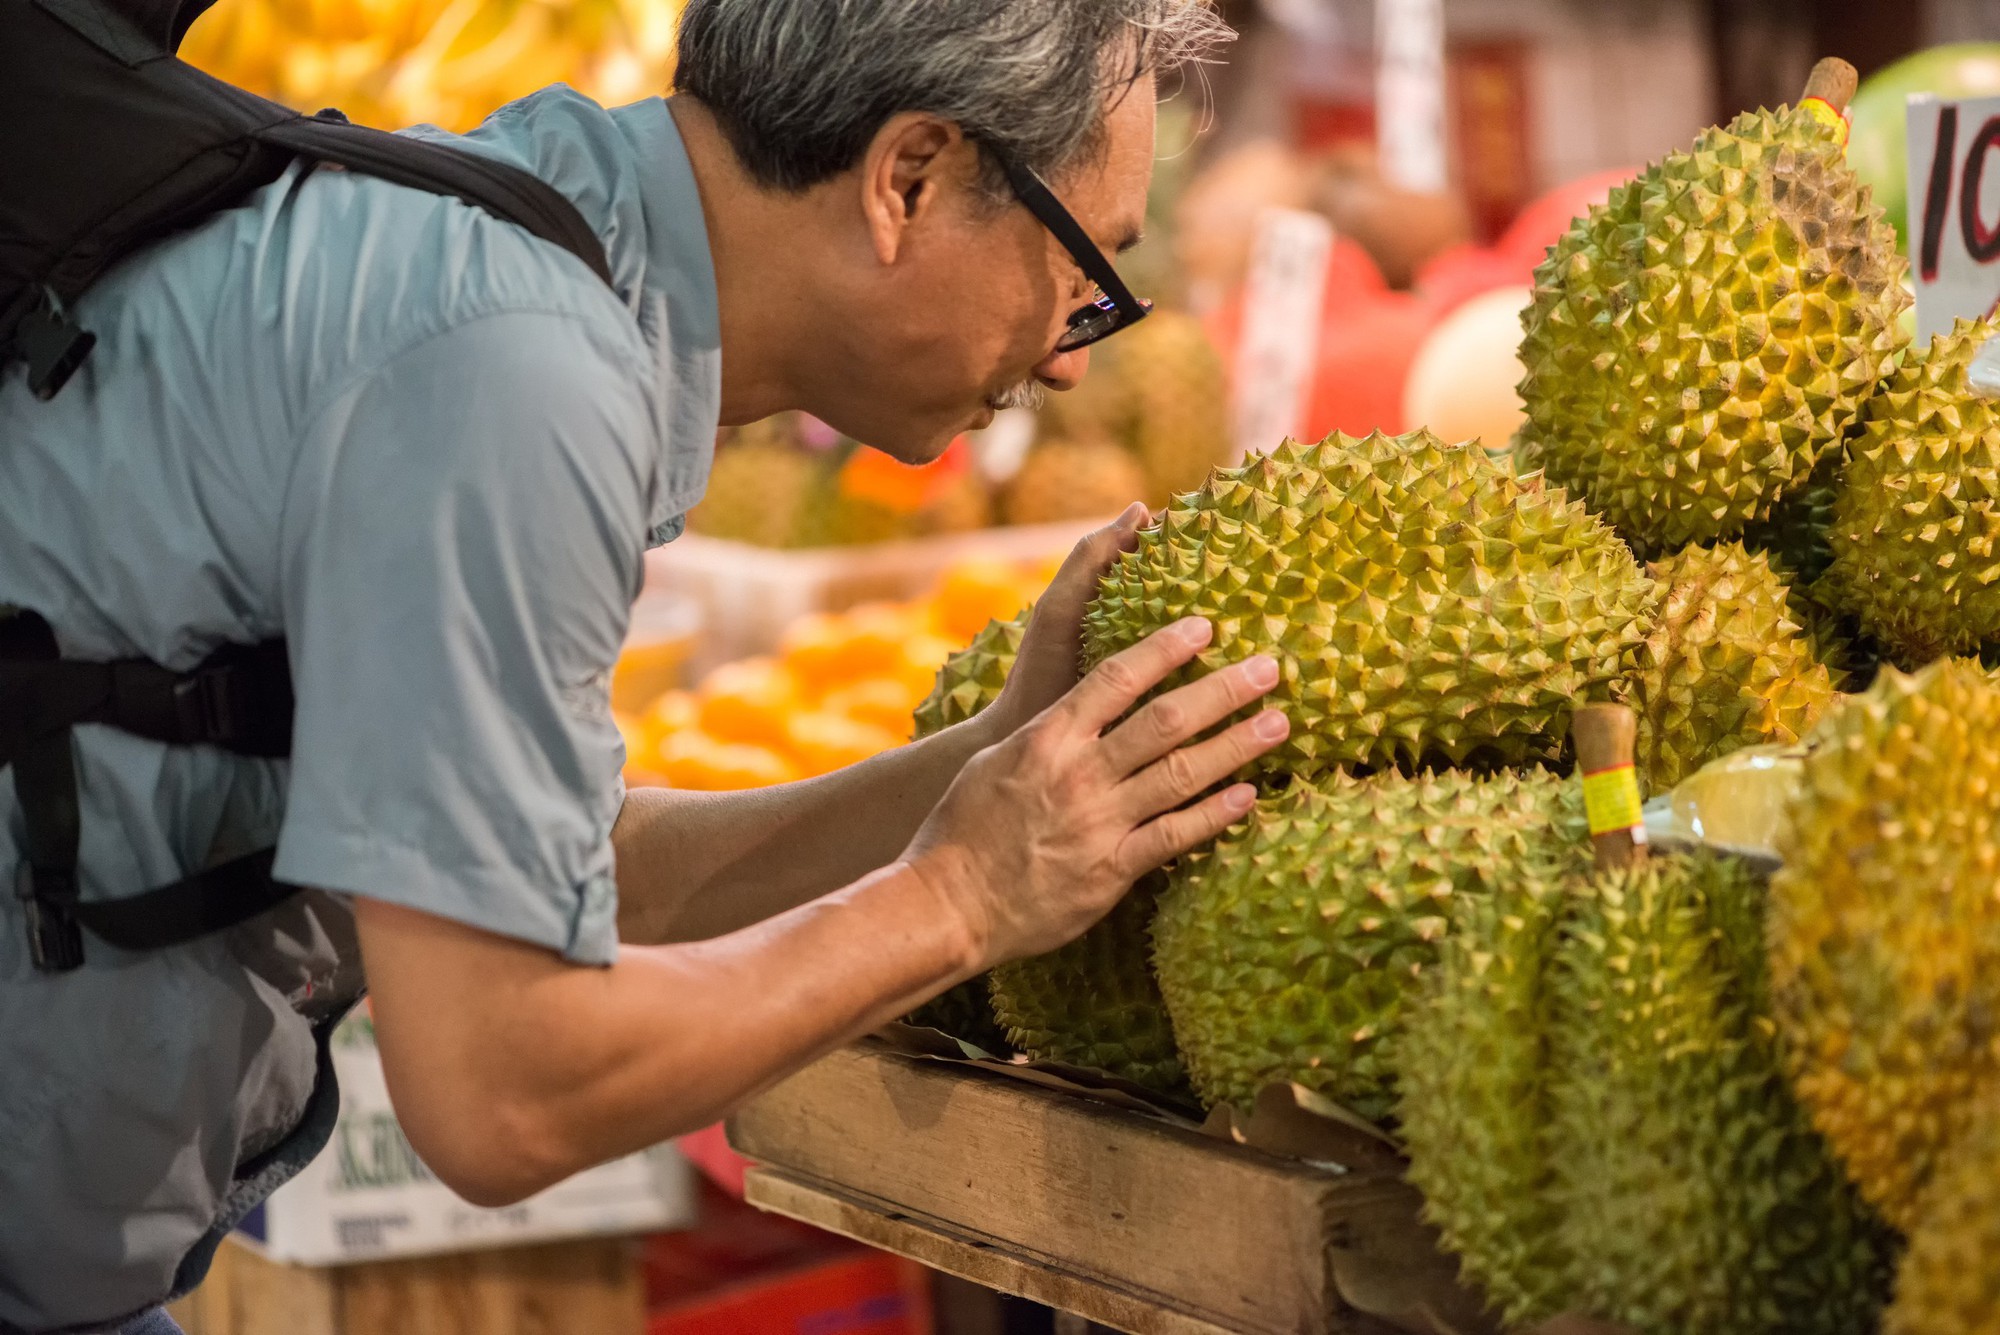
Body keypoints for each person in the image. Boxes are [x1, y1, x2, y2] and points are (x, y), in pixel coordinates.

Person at [0, 1, 1286, 1331]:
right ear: (910, 178)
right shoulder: (518, 367)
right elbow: (505, 1087)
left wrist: (985, 770)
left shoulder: (532, 228)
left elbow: (555, 874)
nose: (1074, 366)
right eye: (1088, 277)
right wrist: (960, 900)